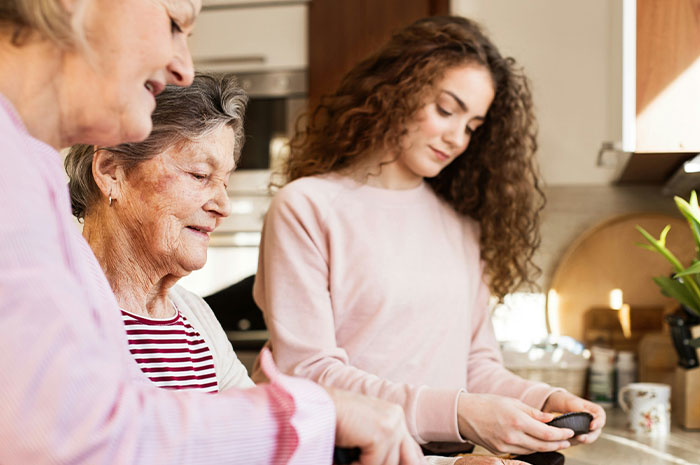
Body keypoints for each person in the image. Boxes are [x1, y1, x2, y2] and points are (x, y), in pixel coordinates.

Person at [0, 1, 425, 464]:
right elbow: (76, 436)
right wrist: (304, 417)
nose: (183, 66)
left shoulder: (26, 161)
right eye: (174, 24)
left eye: (225, 180)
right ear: (112, 173)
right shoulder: (31, 206)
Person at [64, 72, 526, 465]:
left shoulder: (193, 319)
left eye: (224, 180)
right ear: (112, 172)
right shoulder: (57, 312)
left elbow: (267, 451)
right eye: (199, 176)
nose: (222, 204)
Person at [253, 15, 606, 457]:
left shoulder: (461, 228)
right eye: (446, 109)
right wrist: (459, 413)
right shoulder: (306, 207)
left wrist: (539, 400)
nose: (458, 137)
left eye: (473, 125)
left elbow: (474, 366)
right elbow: (307, 372)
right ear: (396, 90)